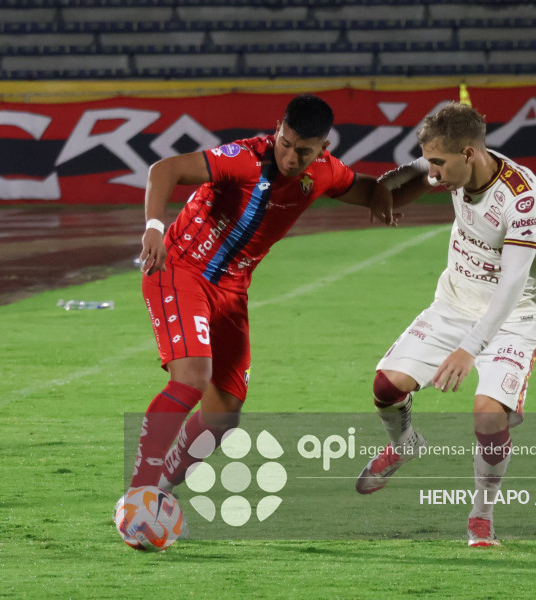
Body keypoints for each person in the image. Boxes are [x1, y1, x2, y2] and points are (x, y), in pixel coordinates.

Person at [121, 94, 396, 503]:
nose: (290, 156)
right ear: (278, 130)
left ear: (324, 148)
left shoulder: (323, 173)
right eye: (285, 143)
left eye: (304, 150)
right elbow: (166, 169)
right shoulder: (245, 158)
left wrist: (405, 184)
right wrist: (155, 227)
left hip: (232, 293)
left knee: (224, 415)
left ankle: (162, 490)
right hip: (180, 269)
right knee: (193, 378)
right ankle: (138, 494)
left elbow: (367, 189)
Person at [355, 102, 536, 547]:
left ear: (469, 154)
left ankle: (481, 516)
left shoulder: (524, 198)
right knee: (386, 387)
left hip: (515, 316)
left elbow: (511, 283)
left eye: (440, 163)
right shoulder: (452, 166)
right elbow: (411, 172)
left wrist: (470, 348)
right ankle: (406, 444)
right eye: (431, 162)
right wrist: (386, 189)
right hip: (455, 302)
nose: (434, 173)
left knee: (487, 415)